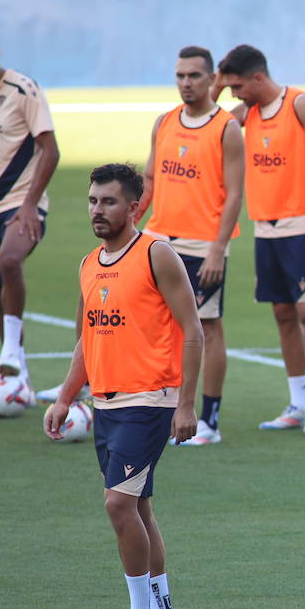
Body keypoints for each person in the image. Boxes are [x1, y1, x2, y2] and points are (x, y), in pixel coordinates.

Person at [44, 163, 202, 609]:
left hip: (149, 401)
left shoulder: (157, 254)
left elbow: (193, 330)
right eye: (93, 200)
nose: (97, 209)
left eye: (108, 201)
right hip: (106, 404)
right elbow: (85, 341)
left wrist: (187, 403)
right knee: (139, 509)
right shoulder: (89, 264)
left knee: (118, 505)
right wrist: (66, 396)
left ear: (135, 207)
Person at [216, 44, 305, 435]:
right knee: (282, 315)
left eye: (237, 85)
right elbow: (209, 123)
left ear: (257, 78)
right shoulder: (247, 114)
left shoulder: (299, 105)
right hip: (265, 228)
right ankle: (297, 403)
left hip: (303, 226)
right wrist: (218, 84)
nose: (233, 93)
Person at [135, 45, 245, 446]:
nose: (186, 83)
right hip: (159, 240)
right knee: (156, 327)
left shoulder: (225, 128)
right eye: (180, 75)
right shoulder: (164, 122)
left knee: (206, 327)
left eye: (194, 76)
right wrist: (132, 221)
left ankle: (210, 420)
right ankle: (159, 408)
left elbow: (234, 194)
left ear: (211, 78)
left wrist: (218, 248)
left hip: (203, 245)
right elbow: (149, 178)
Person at [0, 35, 60, 386]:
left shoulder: (22, 89)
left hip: (20, 201)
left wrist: (32, 203)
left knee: (9, 261)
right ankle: (20, 376)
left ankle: (11, 355)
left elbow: (51, 150)